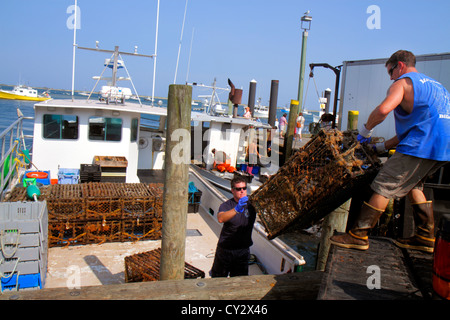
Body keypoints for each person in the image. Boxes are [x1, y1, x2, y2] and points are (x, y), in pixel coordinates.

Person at [330, 50, 450, 253]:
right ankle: (426, 236)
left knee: (383, 185)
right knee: (414, 186)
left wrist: (365, 131)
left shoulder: (403, 83)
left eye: (390, 71)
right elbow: (417, 129)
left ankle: (359, 235)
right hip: (443, 147)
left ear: (400, 65)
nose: (391, 77)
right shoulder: (437, 86)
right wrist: (380, 147)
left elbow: (384, 110)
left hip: (421, 145)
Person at [211, 176, 256, 277]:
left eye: (244, 188)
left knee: (239, 281)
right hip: (225, 250)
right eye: (238, 189)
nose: (242, 191)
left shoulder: (252, 205)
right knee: (218, 280)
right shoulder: (226, 205)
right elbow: (221, 218)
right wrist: (236, 209)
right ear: (232, 190)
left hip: (243, 251)